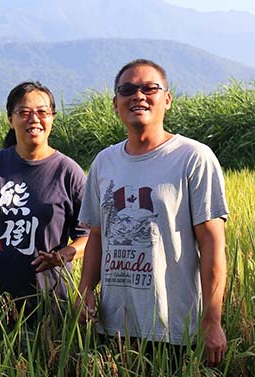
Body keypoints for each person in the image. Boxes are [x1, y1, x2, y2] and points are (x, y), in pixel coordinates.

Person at [76, 59, 229, 367]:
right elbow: (96, 235)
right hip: (113, 326)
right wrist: (85, 292)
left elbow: (213, 243)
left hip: (173, 329)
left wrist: (212, 320)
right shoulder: (105, 162)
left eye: (149, 88)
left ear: (167, 99)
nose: (138, 96)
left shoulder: (193, 157)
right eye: (127, 89)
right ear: (115, 103)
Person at [0, 81, 89, 324]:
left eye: (42, 112)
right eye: (24, 112)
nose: (33, 119)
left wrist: (65, 254)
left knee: (48, 359)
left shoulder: (68, 172)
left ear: (52, 118)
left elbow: (89, 236)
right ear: (10, 119)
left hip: (50, 301)